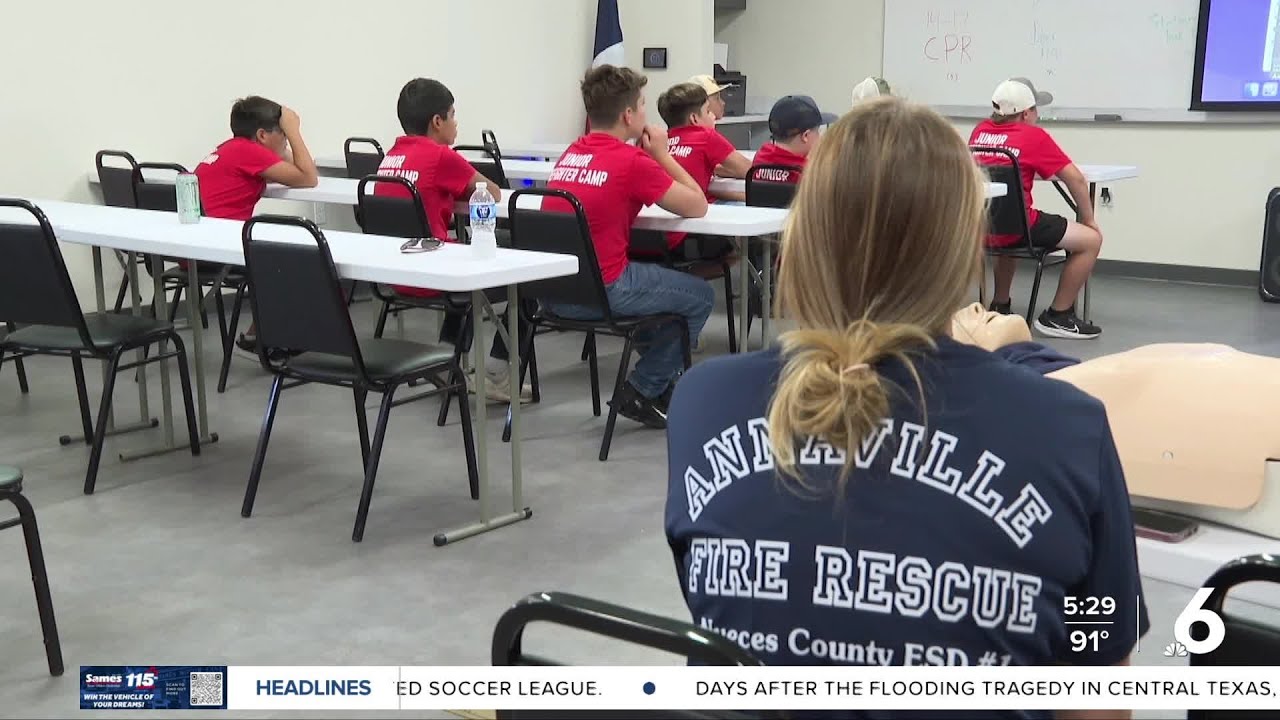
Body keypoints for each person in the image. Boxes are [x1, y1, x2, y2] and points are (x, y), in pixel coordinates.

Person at [665, 98, 1147, 718]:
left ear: (804, 234)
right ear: (967, 246)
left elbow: (716, 616)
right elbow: (1097, 696)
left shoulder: (704, 402)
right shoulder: (1068, 426)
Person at [545, 65, 713, 429]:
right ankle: (642, 388)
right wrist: (663, 155)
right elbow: (697, 204)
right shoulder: (631, 161)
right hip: (606, 289)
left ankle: (661, 387)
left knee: (669, 320)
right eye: (642, 106)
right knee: (700, 297)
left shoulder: (572, 154)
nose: (645, 114)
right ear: (628, 115)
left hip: (555, 293)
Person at [372, 78, 527, 403]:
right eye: (453, 115)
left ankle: (445, 359)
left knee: (466, 259)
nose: (457, 123)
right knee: (526, 279)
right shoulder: (440, 157)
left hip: (393, 272)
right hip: (434, 272)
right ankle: (497, 374)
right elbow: (491, 192)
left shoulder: (391, 157)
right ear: (437, 122)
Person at [969, 78, 1104, 340]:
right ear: (1026, 113)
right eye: (1035, 110)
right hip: (1019, 230)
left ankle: (1000, 305)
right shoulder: (1033, 136)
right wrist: (1089, 219)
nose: (1038, 115)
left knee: (1004, 223)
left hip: (982, 230)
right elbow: (1075, 179)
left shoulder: (978, 132)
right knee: (1091, 240)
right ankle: (1058, 315)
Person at [195, 96, 319, 354]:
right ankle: (270, 335)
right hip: (216, 251)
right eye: (282, 134)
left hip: (196, 246)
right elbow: (309, 177)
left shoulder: (231, 148)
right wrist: (295, 131)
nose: (286, 140)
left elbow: (299, 166)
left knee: (281, 248)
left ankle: (260, 333)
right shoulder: (248, 152)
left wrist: (284, 139)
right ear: (262, 135)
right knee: (299, 254)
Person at [656, 82, 752, 264]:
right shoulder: (705, 136)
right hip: (687, 235)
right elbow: (749, 171)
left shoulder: (660, 142)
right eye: (708, 111)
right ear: (694, 118)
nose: (713, 116)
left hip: (654, 237)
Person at [751, 95, 835, 184]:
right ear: (805, 136)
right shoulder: (806, 172)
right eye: (817, 132)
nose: (819, 137)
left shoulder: (761, 157)